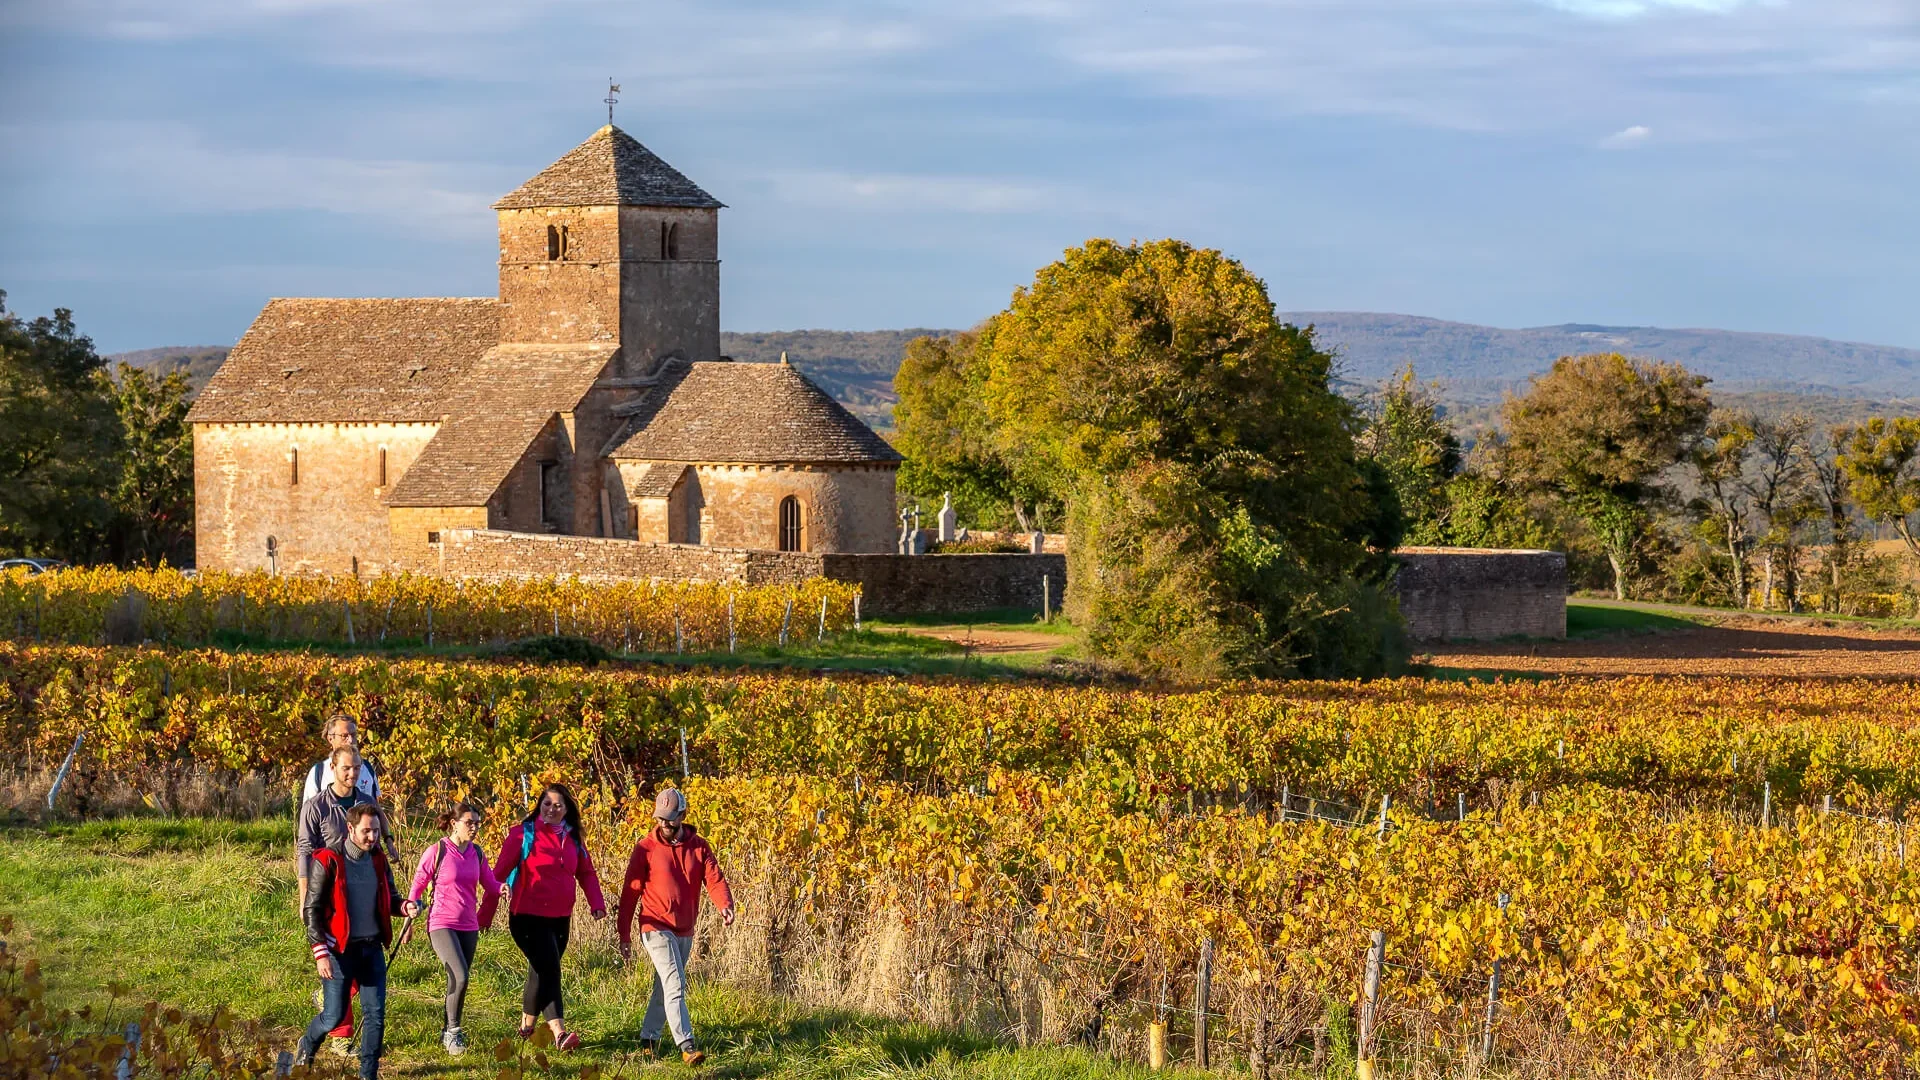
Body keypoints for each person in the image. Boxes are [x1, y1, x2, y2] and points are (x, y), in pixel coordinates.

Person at [296, 803, 417, 1080]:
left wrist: (405, 907)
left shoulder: (378, 860)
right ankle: (308, 1043)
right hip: (339, 951)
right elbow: (311, 909)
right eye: (366, 831)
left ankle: (368, 1074)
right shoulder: (328, 860)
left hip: (372, 948)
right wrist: (320, 952)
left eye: (376, 831)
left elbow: (390, 900)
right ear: (350, 828)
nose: (372, 837)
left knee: (375, 1015)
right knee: (334, 1015)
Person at [617, 788, 735, 1066]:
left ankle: (649, 1038)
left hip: (685, 929)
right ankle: (687, 1044)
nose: (665, 824)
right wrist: (624, 934)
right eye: (660, 819)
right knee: (676, 983)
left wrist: (724, 904)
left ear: (683, 815)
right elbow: (629, 894)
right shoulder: (645, 848)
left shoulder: (699, 846)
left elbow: (714, 878)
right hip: (654, 925)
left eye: (671, 819)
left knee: (664, 987)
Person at [495, 783, 606, 1052]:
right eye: (547, 804)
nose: (551, 809)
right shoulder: (523, 835)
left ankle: (526, 1027)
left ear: (567, 810)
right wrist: (483, 916)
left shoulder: (573, 838)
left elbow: (587, 873)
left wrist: (596, 904)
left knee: (540, 970)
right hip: (526, 916)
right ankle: (559, 1033)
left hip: (560, 917)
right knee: (550, 969)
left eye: (558, 805)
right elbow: (496, 875)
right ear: (539, 805)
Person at [408, 800, 502, 1056]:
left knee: (458, 980)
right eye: (469, 823)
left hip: (469, 925)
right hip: (441, 924)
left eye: (477, 824)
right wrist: (410, 910)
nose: (474, 828)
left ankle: (448, 1029)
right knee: (461, 976)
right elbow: (418, 884)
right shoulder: (437, 851)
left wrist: (501, 887)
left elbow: (489, 883)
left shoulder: (477, 853)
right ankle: (453, 1031)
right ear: (454, 824)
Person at [301, 713, 379, 803]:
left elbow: (375, 807)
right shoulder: (319, 772)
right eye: (344, 736)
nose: (350, 741)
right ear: (330, 738)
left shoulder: (367, 768)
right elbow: (309, 811)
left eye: (353, 735)